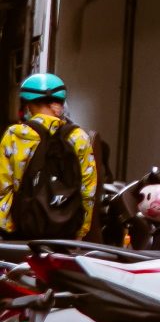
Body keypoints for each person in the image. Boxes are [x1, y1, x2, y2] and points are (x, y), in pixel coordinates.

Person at [0, 74, 99, 242]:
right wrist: (80, 231)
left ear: (28, 104)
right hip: (65, 233)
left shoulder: (15, 135)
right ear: (59, 104)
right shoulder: (79, 137)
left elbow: (3, 188)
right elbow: (88, 191)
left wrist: (8, 231)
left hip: (23, 232)